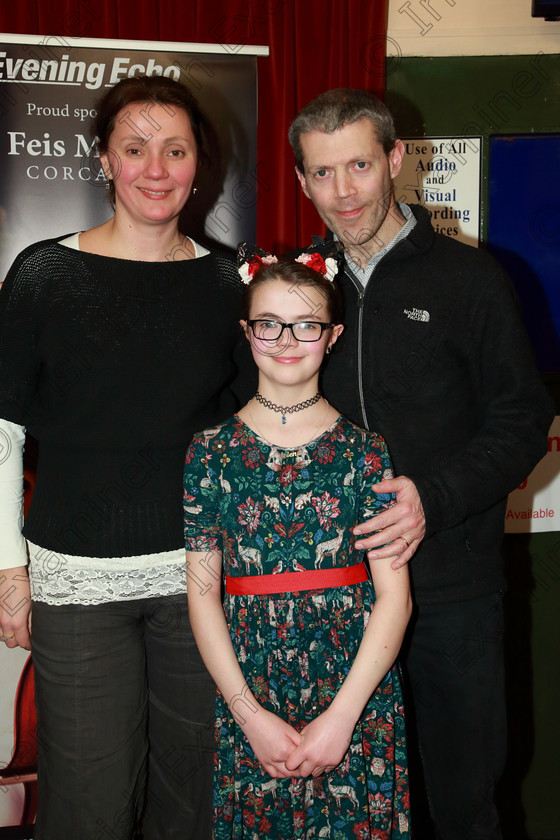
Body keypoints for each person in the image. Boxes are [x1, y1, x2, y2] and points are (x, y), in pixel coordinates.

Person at [288, 88, 555, 840]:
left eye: (360, 166)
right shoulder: (296, 289)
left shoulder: (473, 282)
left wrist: (431, 500)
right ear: (303, 179)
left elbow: (523, 419)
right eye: (322, 173)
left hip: (450, 588)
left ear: (397, 159)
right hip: (328, 593)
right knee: (343, 806)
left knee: (464, 804)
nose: (343, 192)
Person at [0, 75, 250, 839]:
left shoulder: (225, 280)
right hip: (76, 584)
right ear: (104, 161)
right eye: (134, 149)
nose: (155, 168)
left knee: (194, 799)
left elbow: (245, 433)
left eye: (174, 151)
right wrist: (9, 567)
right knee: (90, 808)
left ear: (197, 166)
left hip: (200, 581)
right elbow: (2, 429)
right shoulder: (43, 273)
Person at [184, 246, 412, 839]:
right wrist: (248, 716)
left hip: (355, 689)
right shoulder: (209, 454)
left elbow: (395, 600)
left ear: (332, 335)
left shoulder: (368, 453)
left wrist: (341, 718)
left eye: (306, 324)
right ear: (247, 331)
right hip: (252, 687)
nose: (287, 340)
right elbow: (203, 597)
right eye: (269, 324)